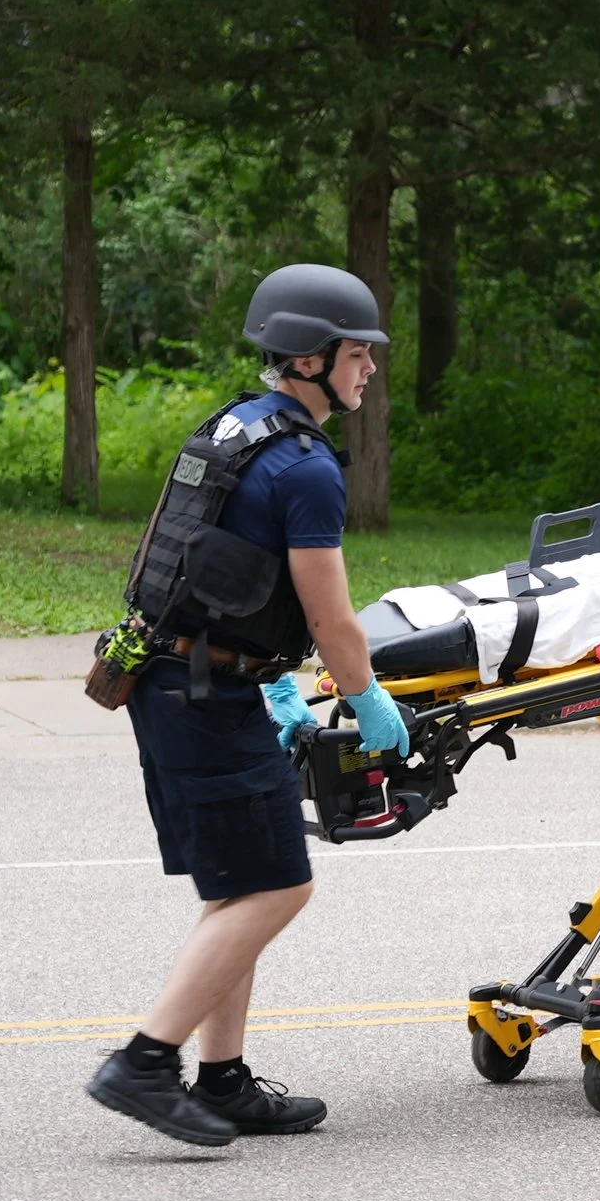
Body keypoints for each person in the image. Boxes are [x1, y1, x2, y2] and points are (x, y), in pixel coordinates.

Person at [86, 264, 414, 1148]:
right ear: (311, 358)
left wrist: (267, 672)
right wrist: (368, 698)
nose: (370, 368)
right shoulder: (305, 467)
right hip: (201, 691)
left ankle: (223, 1080)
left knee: (238, 887)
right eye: (359, 353)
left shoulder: (236, 425)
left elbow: (213, 557)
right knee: (278, 887)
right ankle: (146, 1062)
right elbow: (332, 614)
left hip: (180, 674)